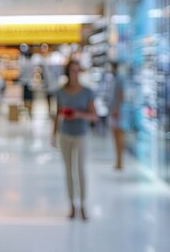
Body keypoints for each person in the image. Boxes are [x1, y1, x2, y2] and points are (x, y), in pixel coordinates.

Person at [52, 60, 96, 221]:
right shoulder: (61, 92)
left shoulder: (87, 92)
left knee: (81, 170)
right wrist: (54, 133)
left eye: (78, 71)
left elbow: (94, 116)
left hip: (81, 134)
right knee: (68, 171)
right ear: (68, 72)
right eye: (72, 70)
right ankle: (72, 204)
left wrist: (79, 115)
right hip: (65, 134)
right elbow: (57, 114)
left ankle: (83, 204)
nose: (75, 74)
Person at [104, 62, 124, 170]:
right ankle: (118, 160)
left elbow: (120, 94)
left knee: (118, 136)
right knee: (115, 136)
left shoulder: (119, 79)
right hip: (113, 110)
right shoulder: (113, 79)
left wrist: (116, 108)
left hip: (116, 112)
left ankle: (120, 161)